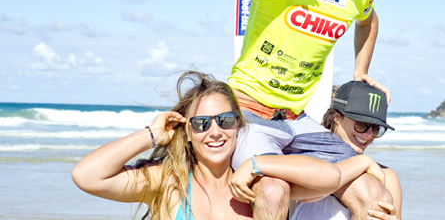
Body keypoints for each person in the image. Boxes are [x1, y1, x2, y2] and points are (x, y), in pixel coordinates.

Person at [198, 0, 392, 219]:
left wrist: (361, 70)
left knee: (376, 196)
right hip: (251, 114)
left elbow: (368, 19)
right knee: (273, 188)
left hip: (299, 121)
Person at [71, 70, 365, 220]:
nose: (214, 131)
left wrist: (256, 164)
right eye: (201, 123)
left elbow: (329, 178)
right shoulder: (167, 181)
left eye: (224, 120)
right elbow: (87, 176)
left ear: (239, 124)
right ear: (186, 131)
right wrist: (151, 135)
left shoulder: (257, 187)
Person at [291, 81, 402, 220]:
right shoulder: (307, 160)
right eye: (361, 124)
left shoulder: (386, 176)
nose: (368, 134)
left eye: (375, 128)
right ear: (336, 117)